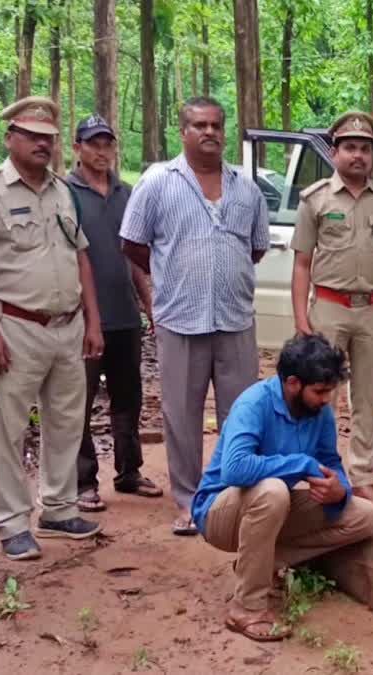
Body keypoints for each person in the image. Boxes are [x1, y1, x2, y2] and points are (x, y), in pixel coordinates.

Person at [0, 96, 105, 560]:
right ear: (11, 138)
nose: (43, 145)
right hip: (16, 325)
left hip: (68, 324)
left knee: (66, 421)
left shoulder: (64, 191)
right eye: (33, 136)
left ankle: (59, 508)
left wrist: (93, 321)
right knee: (10, 428)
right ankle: (11, 521)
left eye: (49, 138)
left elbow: (81, 257)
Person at [120, 97, 269, 535]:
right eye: (200, 125)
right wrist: (170, 279)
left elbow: (255, 247)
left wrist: (224, 273)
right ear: (183, 131)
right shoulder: (157, 183)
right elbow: (132, 244)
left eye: (217, 125)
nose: (210, 132)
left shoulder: (246, 188)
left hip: (235, 318)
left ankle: (231, 495)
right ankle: (188, 500)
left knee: (240, 413)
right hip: (179, 318)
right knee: (181, 414)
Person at [191, 334, 373, 642]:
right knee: (273, 491)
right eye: (319, 391)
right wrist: (300, 464)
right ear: (292, 383)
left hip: (271, 508)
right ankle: (246, 609)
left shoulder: (319, 413)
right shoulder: (254, 403)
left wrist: (339, 491)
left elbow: (331, 462)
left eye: (330, 391)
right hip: (218, 513)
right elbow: (235, 469)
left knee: (364, 515)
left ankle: (259, 564)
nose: (326, 399)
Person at [291, 111, 373, 499]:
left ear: (372, 155)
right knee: (323, 394)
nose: (357, 155)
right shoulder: (316, 200)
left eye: (364, 148)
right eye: (350, 148)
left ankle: (361, 474)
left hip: (372, 309)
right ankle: (322, 469)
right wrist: (300, 319)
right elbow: (302, 263)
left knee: (366, 397)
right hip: (329, 306)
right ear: (335, 152)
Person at [65, 115, 162, 512]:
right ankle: (83, 480)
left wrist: (149, 304)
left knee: (128, 398)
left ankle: (129, 471)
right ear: (77, 148)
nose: (101, 151)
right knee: (80, 401)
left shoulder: (127, 194)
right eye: (93, 144)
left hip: (124, 314)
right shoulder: (64, 193)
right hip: (82, 319)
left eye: (107, 144)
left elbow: (137, 256)